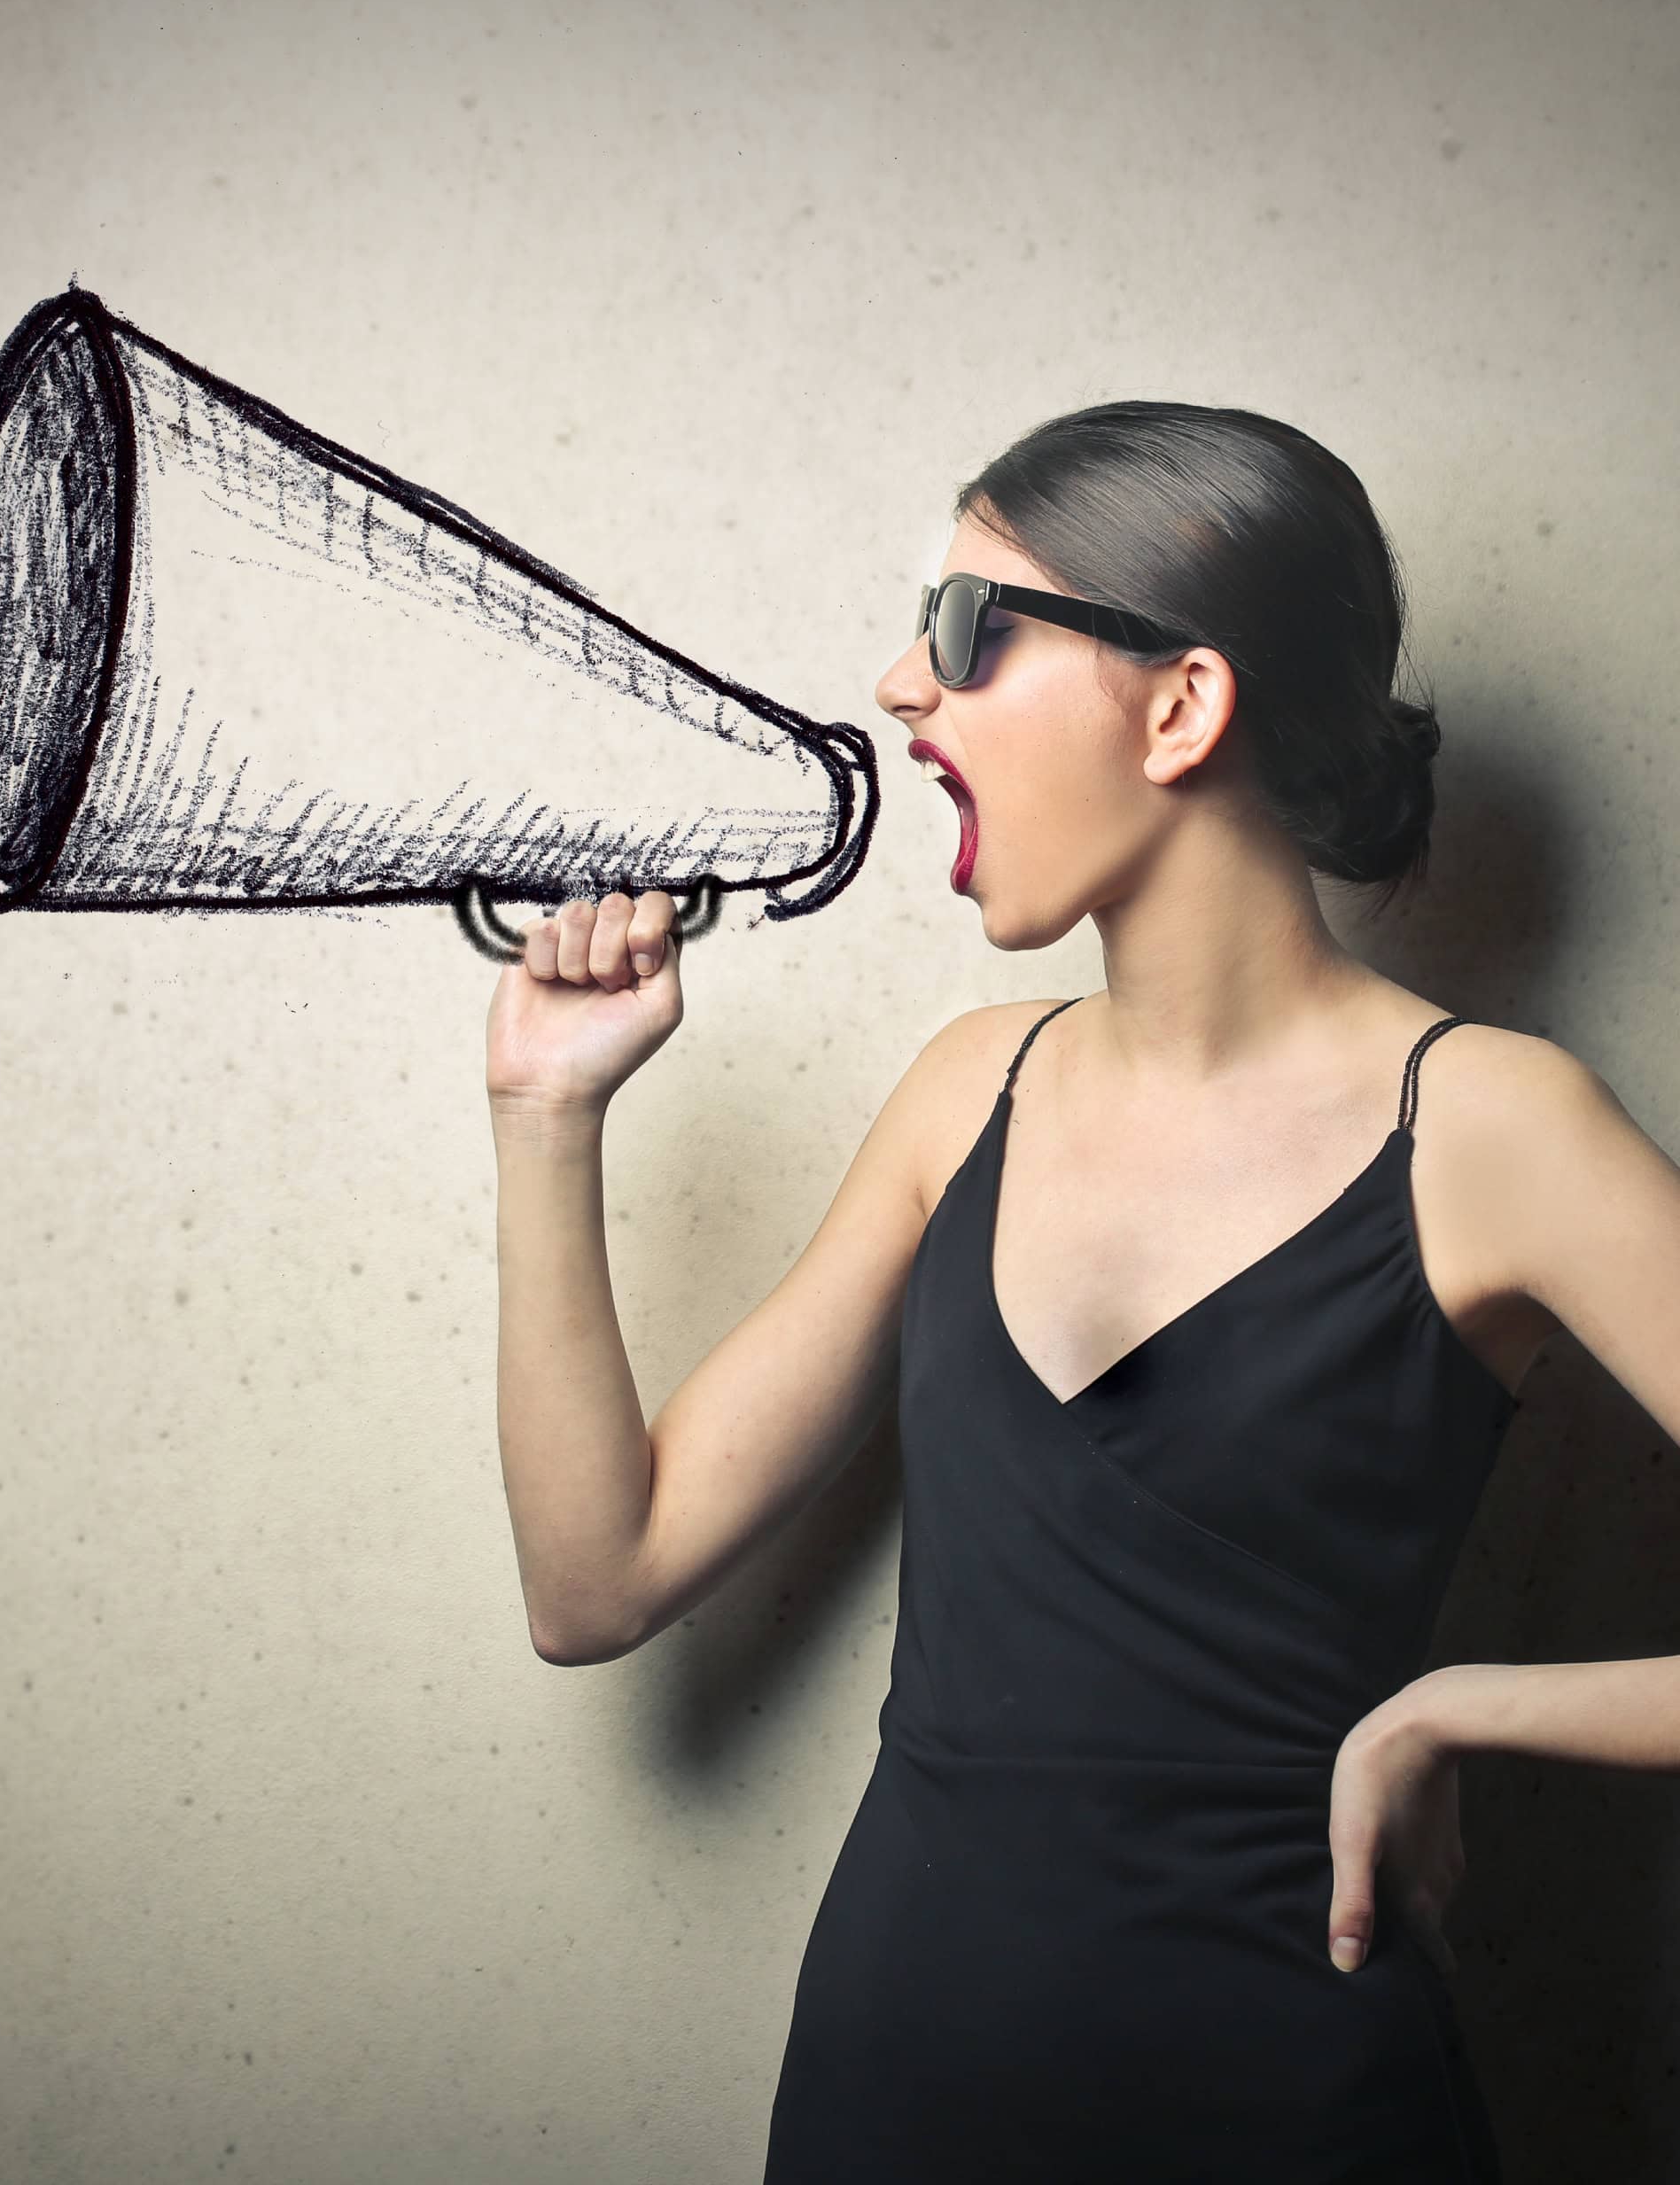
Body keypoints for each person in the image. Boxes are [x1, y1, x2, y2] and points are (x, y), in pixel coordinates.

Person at [483, 400, 1680, 2181]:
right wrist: (544, 1115)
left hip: (1295, 2112)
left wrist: (1461, 1707)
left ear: (1180, 705)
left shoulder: (1494, 1128)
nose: (901, 683)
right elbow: (597, 1581)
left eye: (968, 627)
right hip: (892, 2095)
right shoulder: (965, 1090)